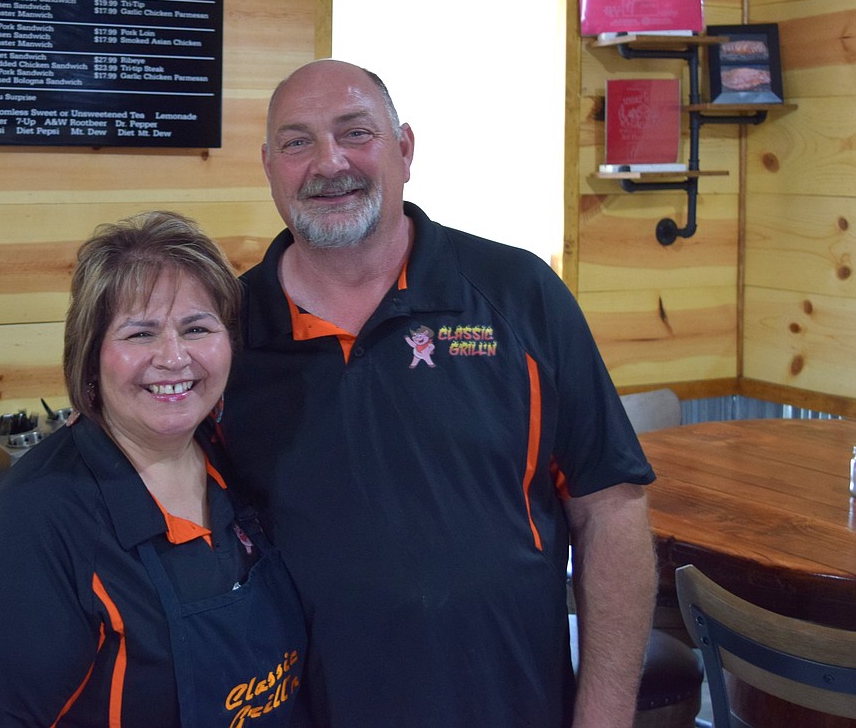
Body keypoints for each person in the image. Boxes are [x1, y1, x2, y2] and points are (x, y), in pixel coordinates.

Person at [221, 59, 658, 727]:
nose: (328, 161)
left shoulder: (519, 295)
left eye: (355, 132)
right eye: (296, 141)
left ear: (405, 149)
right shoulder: (225, 334)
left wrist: (603, 719)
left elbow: (611, 514)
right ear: (269, 166)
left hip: (512, 705)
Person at [0, 211, 306, 727]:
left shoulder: (238, 464)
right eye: (140, 334)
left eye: (196, 328)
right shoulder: (34, 526)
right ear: (91, 358)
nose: (173, 358)